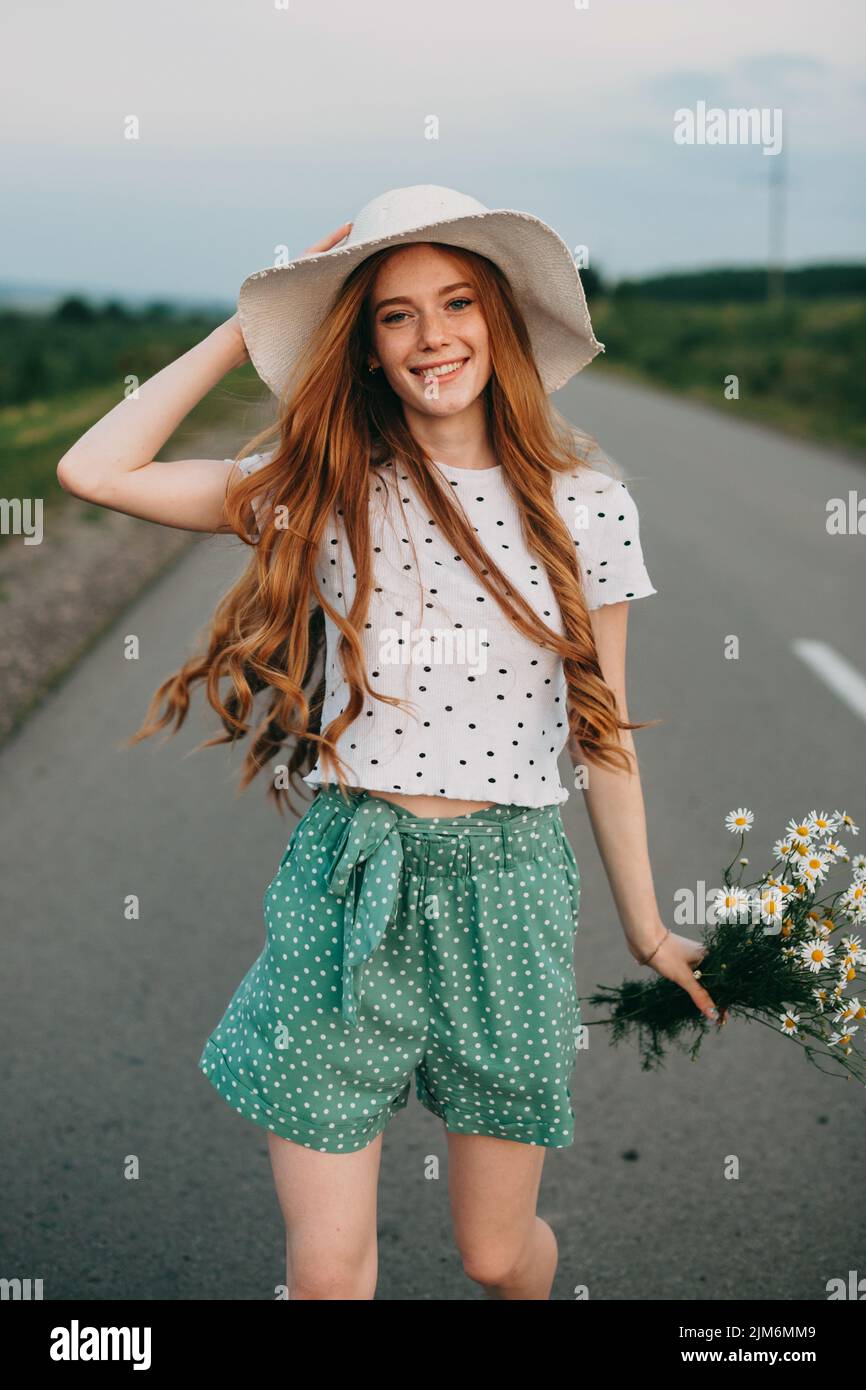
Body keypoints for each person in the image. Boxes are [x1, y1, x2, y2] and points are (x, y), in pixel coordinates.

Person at [57, 184, 725, 1301]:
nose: (430, 336)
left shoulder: (588, 506)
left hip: (506, 888)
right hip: (350, 875)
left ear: (498, 324)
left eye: (456, 302)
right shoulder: (320, 490)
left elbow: (602, 741)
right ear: (363, 348)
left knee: (494, 1255)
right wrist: (243, 327)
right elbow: (94, 472)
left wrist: (649, 929)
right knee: (325, 1277)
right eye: (393, 314)